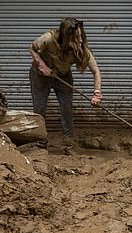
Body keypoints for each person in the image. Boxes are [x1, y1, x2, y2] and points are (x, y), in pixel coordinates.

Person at [29, 17, 102, 152]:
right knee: (40, 109)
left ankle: (68, 144)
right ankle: (40, 143)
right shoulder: (48, 39)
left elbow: (96, 71)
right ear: (66, 37)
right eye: (76, 37)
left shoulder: (81, 48)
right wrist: (42, 66)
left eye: (81, 36)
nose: (80, 40)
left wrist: (97, 93)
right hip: (41, 76)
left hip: (63, 76)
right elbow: (32, 47)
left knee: (66, 108)